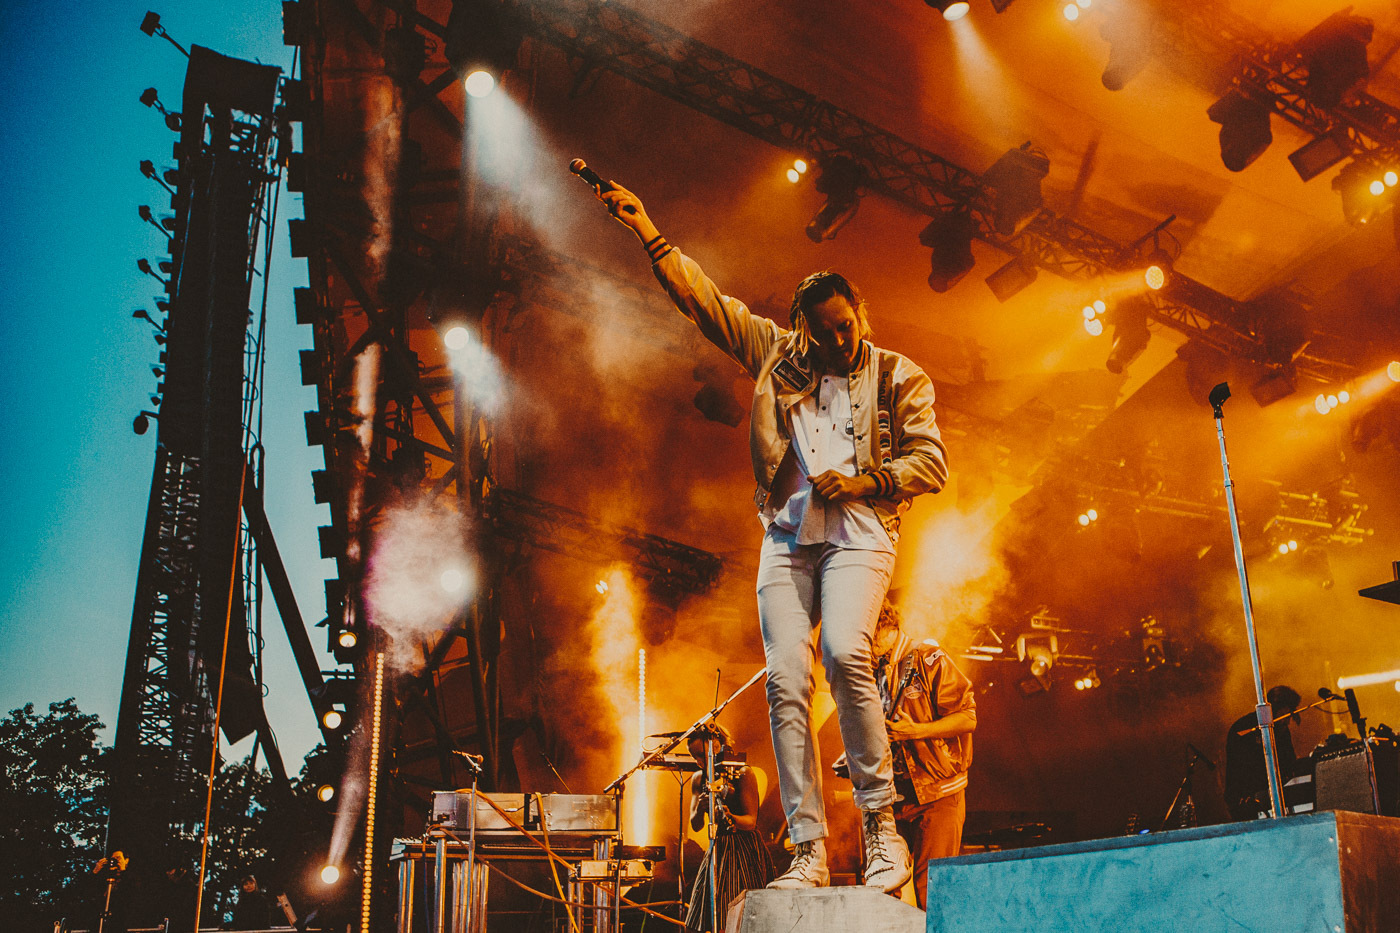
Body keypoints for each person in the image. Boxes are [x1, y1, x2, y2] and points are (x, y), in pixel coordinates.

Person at [595, 181, 949, 893]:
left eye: (847, 325)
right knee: (787, 678)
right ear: (801, 327)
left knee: (848, 650)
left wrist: (867, 480)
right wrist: (649, 233)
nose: (838, 340)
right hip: (788, 539)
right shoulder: (777, 353)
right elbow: (706, 304)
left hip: (860, 534)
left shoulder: (898, 376)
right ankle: (809, 847)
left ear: (860, 315)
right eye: (823, 331)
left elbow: (931, 461)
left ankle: (882, 829)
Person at [869, 598, 975, 909]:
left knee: (933, 891)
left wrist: (918, 731)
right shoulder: (870, 669)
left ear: (884, 626)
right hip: (893, 797)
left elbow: (968, 717)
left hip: (938, 794)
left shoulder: (928, 657)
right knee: (884, 888)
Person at [683, 724, 774, 932]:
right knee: (698, 918)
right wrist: (701, 808)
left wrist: (728, 816)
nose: (698, 761)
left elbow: (750, 821)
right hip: (718, 846)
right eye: (693, 757)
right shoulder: (698, 778)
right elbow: (695, 824)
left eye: (700, 755)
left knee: (738, 918)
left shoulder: (743, 773)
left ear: (715, 747)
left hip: (744, 849)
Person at [1224, 685, 1302, 821]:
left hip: (1271, 797)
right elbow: (1242, 768)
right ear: (1276, 708)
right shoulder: (1245, 728)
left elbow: (1290, 761)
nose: (1288, 721)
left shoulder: (1281, 730)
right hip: (1246, 800)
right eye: (1286, 713)